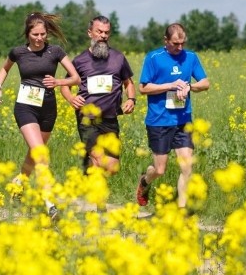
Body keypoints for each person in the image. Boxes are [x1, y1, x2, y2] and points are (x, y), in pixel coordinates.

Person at [0, 12, 81, 221]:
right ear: (28, 34)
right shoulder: (18, 52)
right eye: (35, 34)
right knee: (40, 155)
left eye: (43, 34)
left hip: (48, 108)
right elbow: (4, 69)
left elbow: (76, 78)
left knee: (34, 154)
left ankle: (19, 183)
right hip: (26, 106)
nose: (40, 38)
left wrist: (59, 82)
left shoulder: (56, 51)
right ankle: (51, 205)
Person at [136, 23, 210, 210]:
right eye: (175, 43)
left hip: (183, 120)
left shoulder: (191, 57)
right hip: (159, 121)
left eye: (182, 43)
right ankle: (144, 181)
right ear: (166, 41)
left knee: (187, 167)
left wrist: (189, 86)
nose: (180, 47)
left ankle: (181, 211)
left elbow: (205, 82)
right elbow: (143, 88)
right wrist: (170, 85)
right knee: (159, 170)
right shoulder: (154, 58)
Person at [59, 16, 136, 176]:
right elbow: (65, 86)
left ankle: (89, 181)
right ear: (90, 33)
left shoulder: (118, 58)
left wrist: (131, 99)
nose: (103, 35)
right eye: (99, 31)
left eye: (106, 32)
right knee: (101, 160)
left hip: (110, 119)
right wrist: (71, 98)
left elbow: (128, 82)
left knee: (112, 168)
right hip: (88, 119)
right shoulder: (80, 61)